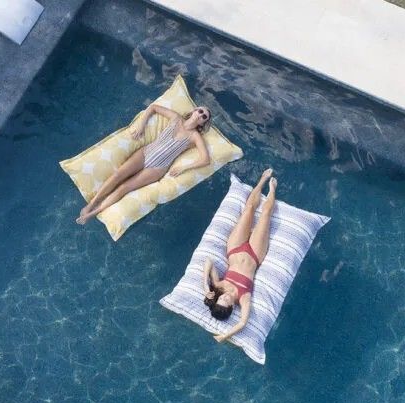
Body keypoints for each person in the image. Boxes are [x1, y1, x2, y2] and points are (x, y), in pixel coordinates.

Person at [76, 104, 213, 224]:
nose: (201, 115)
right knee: (117, 175)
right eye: (200, 111)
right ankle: (91, 204)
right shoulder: (176, 118)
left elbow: (205, 159)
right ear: (194, 110)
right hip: (145, 153)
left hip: (157, 168)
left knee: (124, 187)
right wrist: (142, 125)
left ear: (202, 123)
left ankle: (91, 214)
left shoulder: (195, 137)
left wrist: (184, 168)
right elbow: (153, 108)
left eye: (204, 117)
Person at [203, 169, 276, 343]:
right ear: (230, 308)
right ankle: (272, 190)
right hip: (254, 255)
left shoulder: (219, 286)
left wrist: (206, 287)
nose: (225, 297)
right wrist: (225, 336)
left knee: (249, 209)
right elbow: (243, 322)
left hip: (234, 249)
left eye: (221, 299)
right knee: (265, 216)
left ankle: (261, 181)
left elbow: (209, 262)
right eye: (226, 302)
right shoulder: (244, 298)